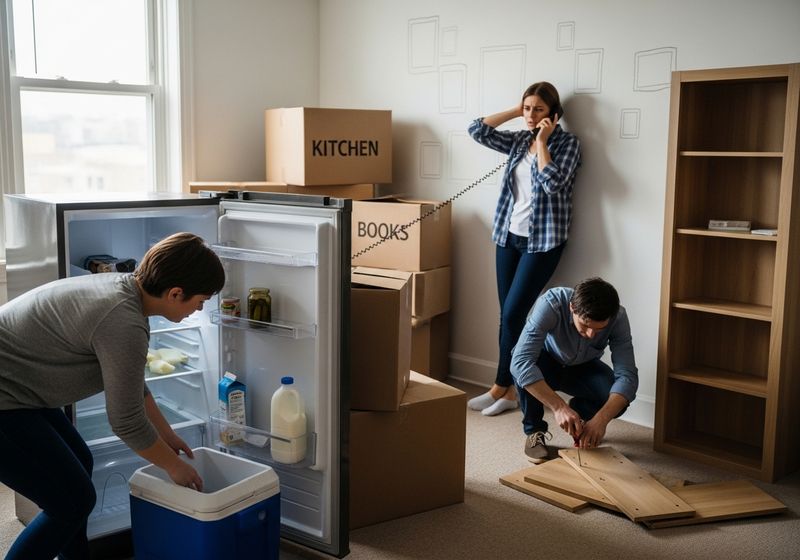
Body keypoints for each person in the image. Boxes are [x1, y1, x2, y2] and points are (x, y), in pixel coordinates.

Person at [0, 232, 225, 560]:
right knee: (71, 502)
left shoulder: (127, 292)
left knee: (80, 466)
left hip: (19, 388)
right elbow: (126, 420)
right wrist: (174, 466)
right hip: (5, 397)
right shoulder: (124, 322)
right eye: (200, 301)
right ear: (176, 293)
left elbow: (132, 383)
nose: (199, 308)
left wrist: (166, 434)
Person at [467, 81, 582, 416]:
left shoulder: (568, 144)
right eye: (527, 108)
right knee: (508, 315)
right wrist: (518, 111)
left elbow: (553, 183)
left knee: (515, 313)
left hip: (543, 241)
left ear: (554, 114)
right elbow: (477, 130)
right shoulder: (519, 140)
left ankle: (506, 387)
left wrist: (543, 141)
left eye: (538, 109)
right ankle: (504, 390)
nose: (531, 115)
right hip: (509, 236)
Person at [510, 277, 638, 463]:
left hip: (583, 367)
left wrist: (600, 420)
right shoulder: (551, 303)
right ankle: (534, 431)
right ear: (572, 308)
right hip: (546, 364)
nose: (591, 335)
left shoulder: (618, 317)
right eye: (585, 325)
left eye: (599, 329)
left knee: (616, 398)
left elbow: (627, 377)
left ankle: (582, 416)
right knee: (522, 366)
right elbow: (520, 361)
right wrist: (559, 407)